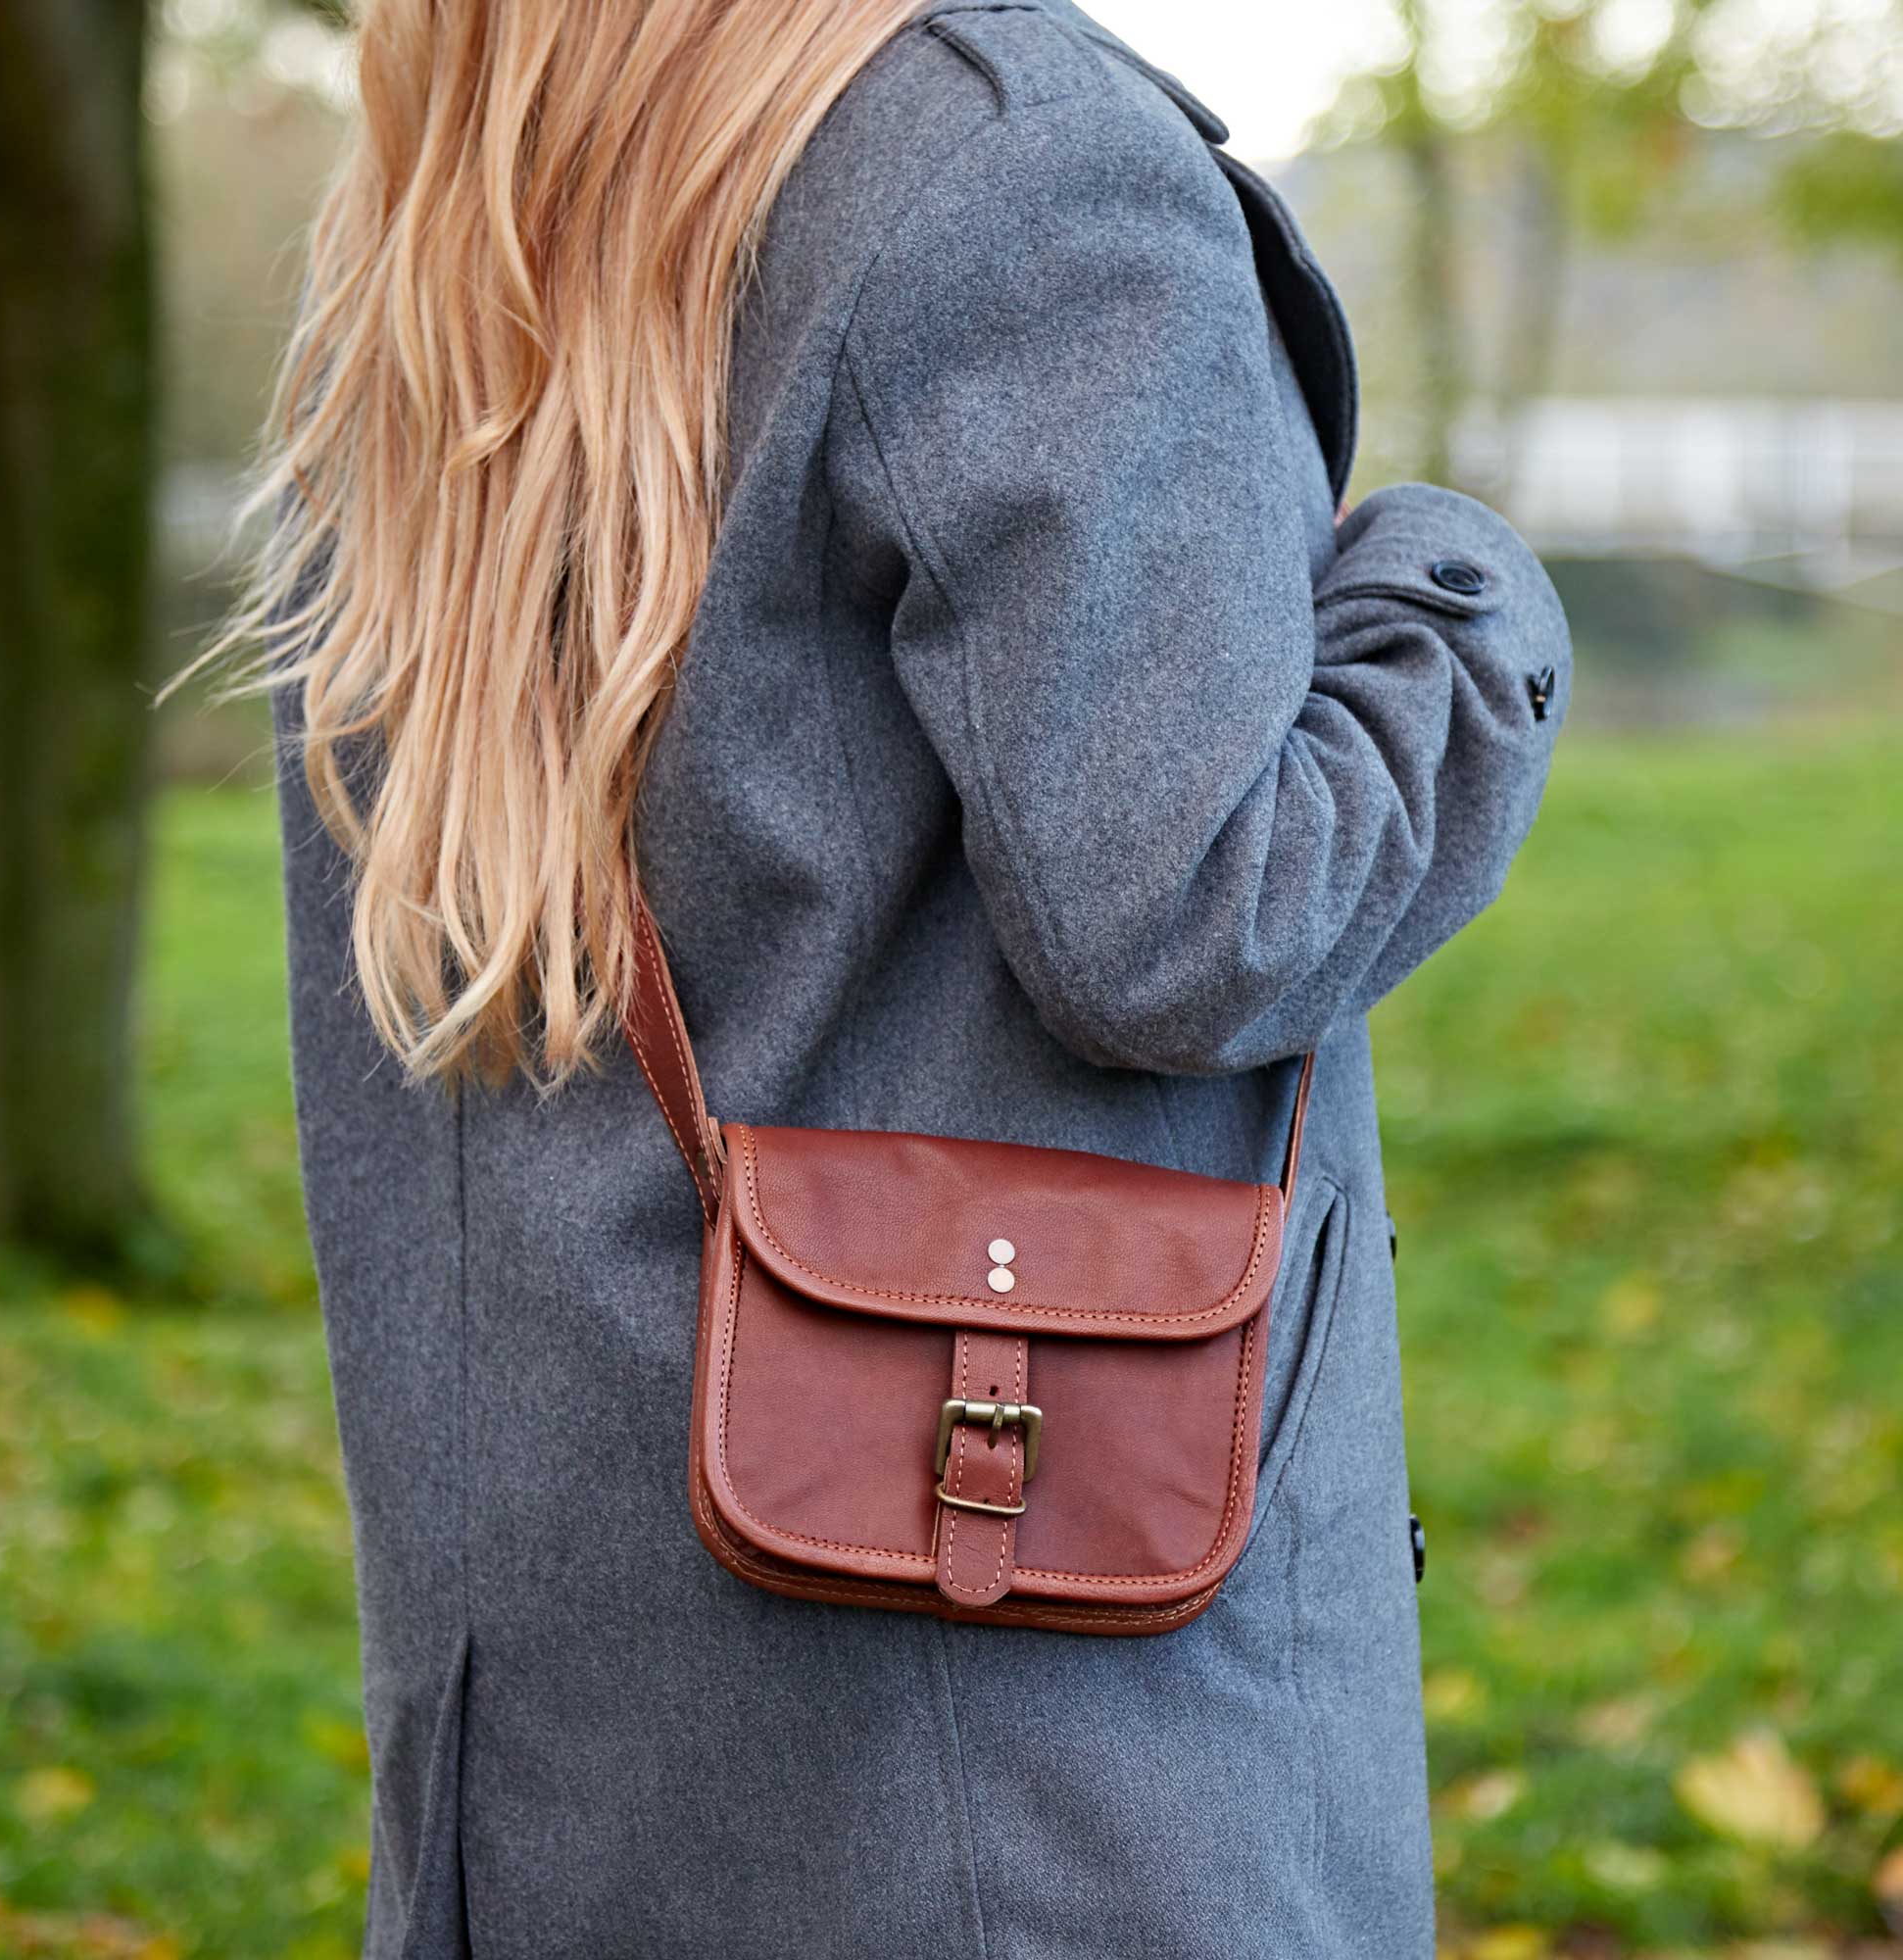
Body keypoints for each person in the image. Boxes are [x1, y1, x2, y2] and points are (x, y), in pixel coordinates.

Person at [216, 0, 1572, 1950]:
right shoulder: (1019, 176)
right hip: (1030, 1777)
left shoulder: (464, 236)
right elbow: (1205, 906)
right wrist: (1455, 591)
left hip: (579, 1760)